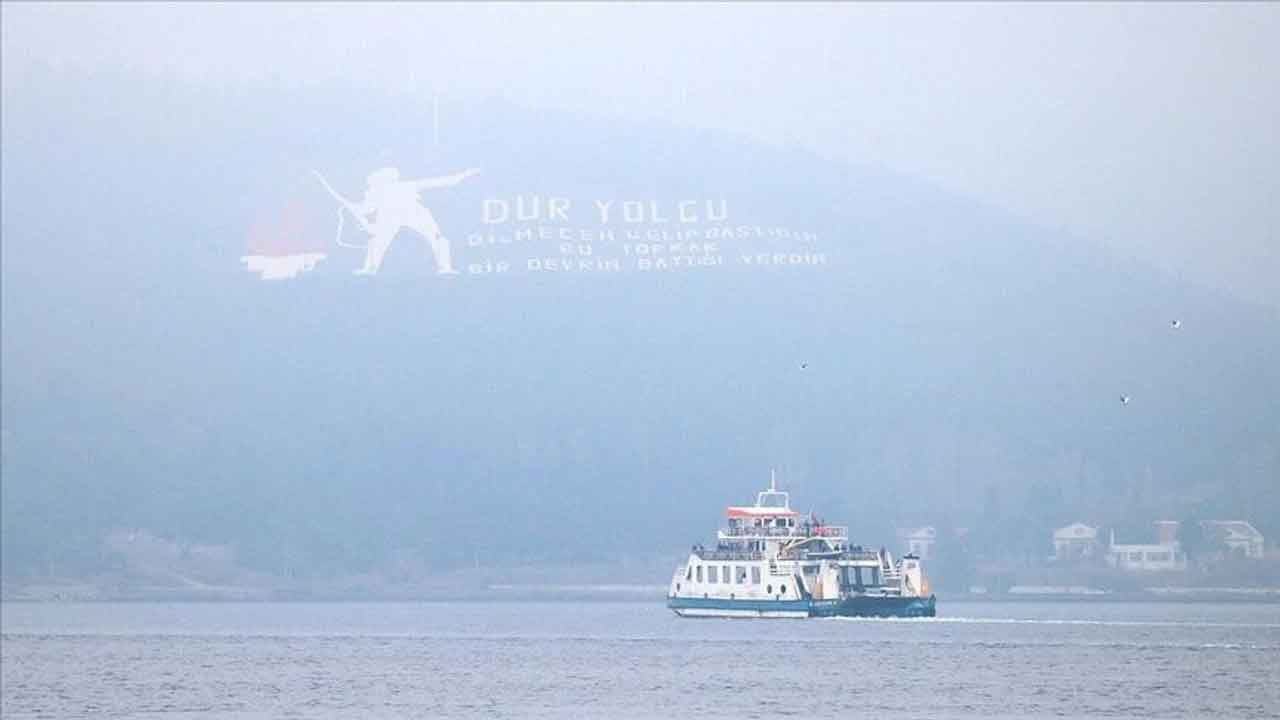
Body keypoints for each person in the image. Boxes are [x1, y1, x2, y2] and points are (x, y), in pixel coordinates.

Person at [348, 166, 480, 275]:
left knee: (438, 238)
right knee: (377, 241)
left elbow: (443, 181)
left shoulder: (406, 186)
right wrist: (355, 209)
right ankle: (370, 268)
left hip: (414, 213)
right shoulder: (374, 192)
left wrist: (464, 175)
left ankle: (445, 268)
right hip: (389, 216)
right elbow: (366, 210)